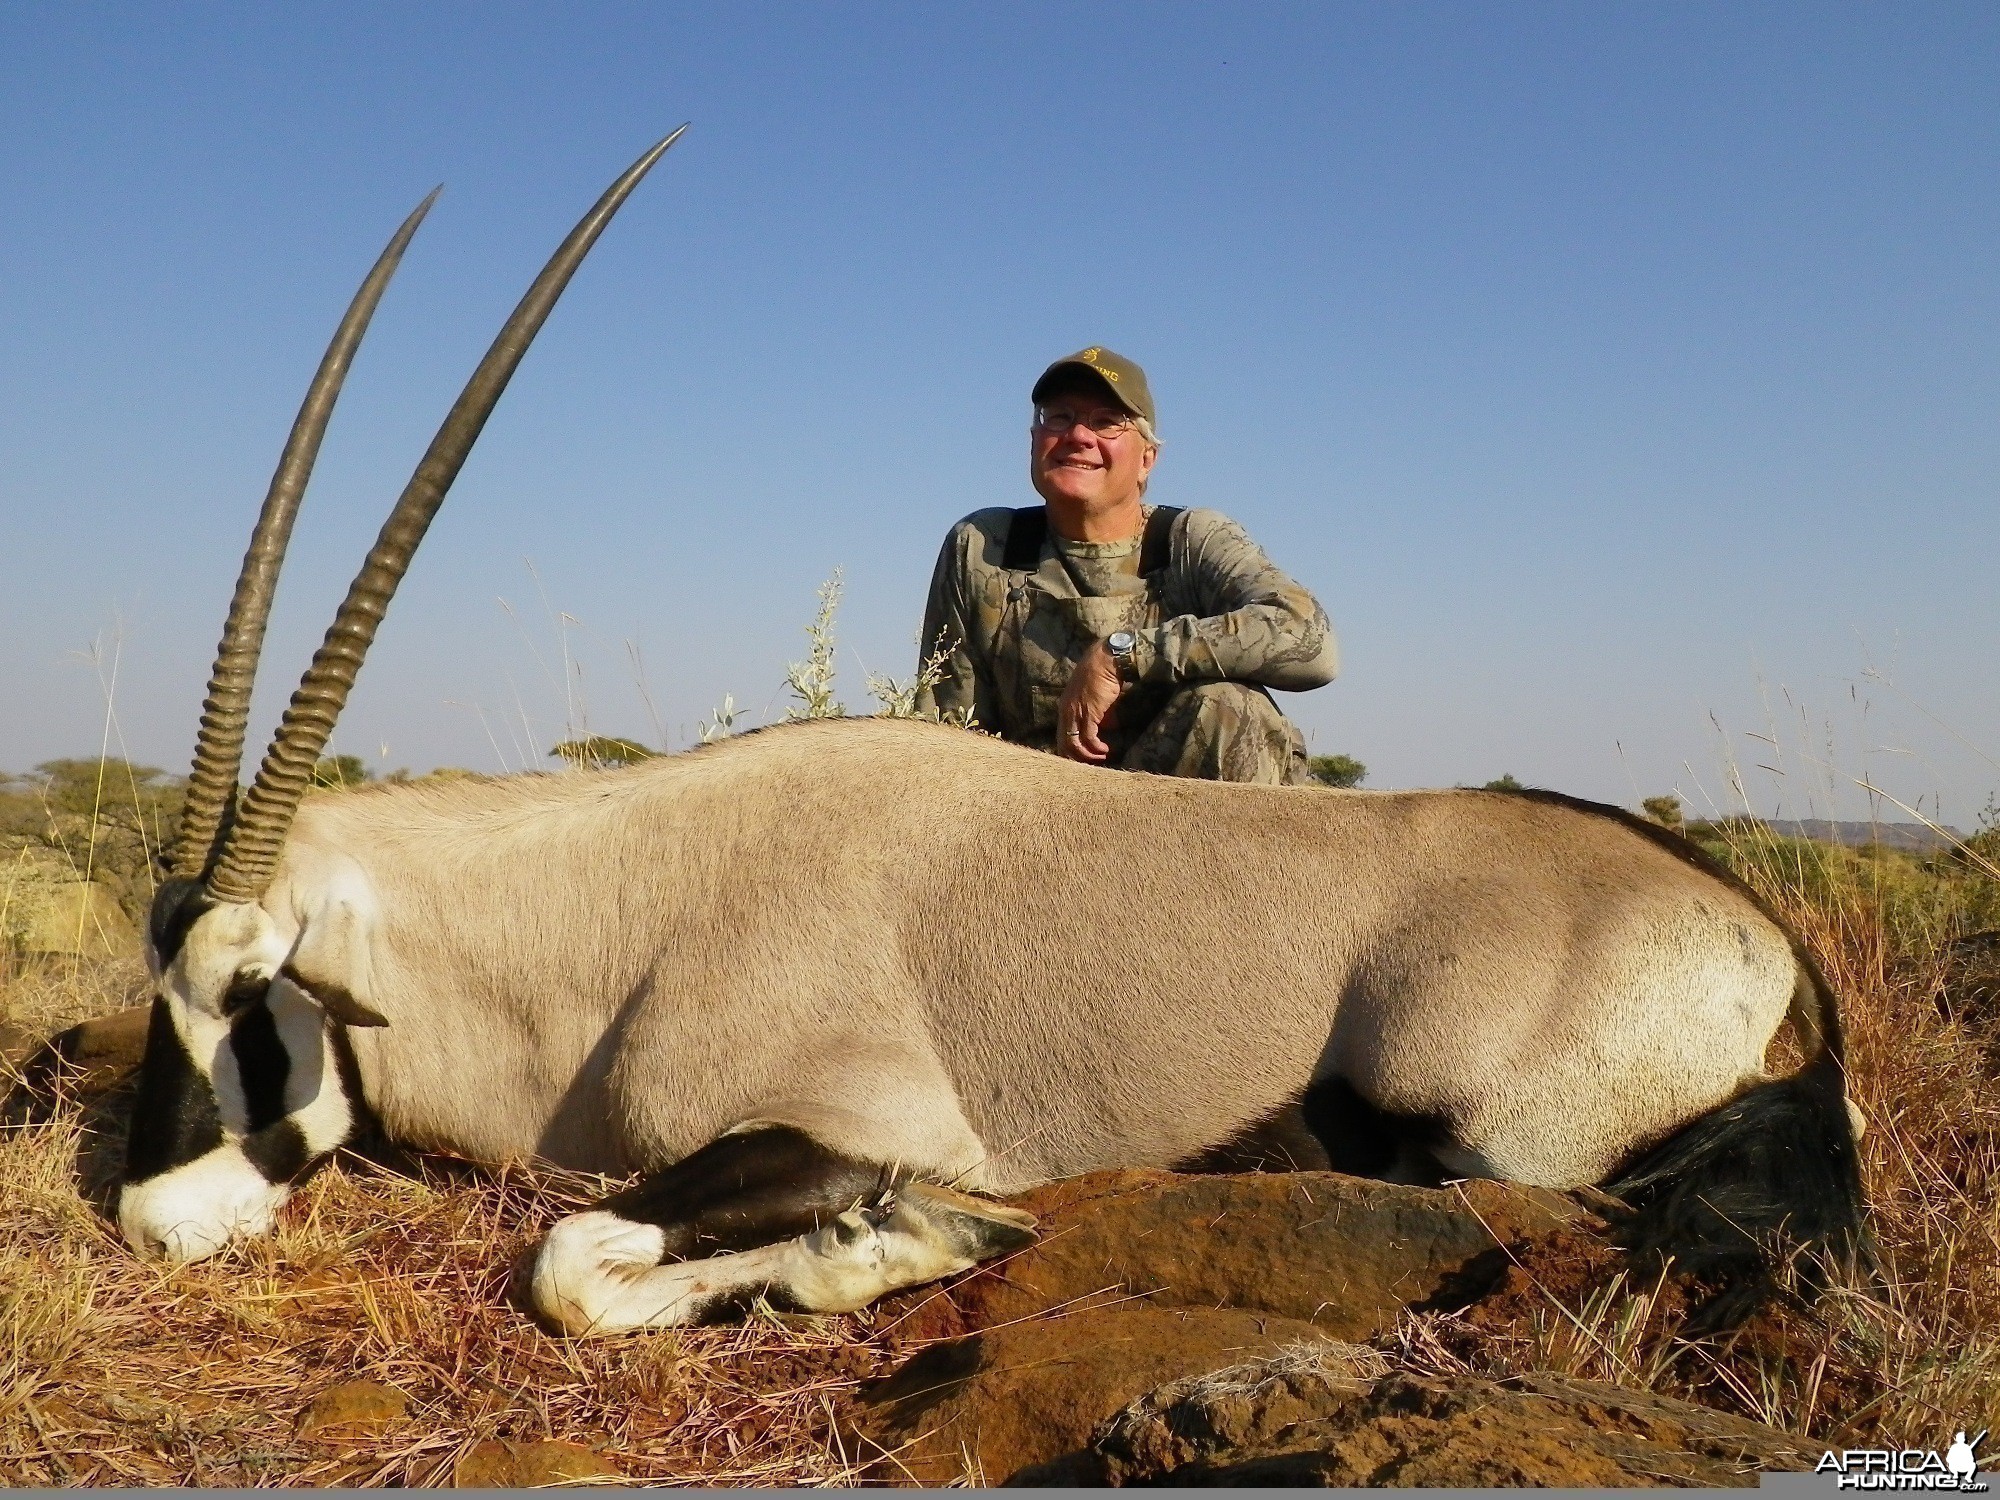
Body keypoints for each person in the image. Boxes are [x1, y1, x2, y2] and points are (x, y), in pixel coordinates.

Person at [915, 346, 1336, 784]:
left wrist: (1123, 654)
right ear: (1034, 441)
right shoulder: (986, 547)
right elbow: (953, 732)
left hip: (1191, 826)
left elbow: (1309, 640)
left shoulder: (1192, 540)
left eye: (1106, 421)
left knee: (1231, 705)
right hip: (1049, 817)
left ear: (1147, 459)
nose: (1079, 435)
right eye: (1058, 417)